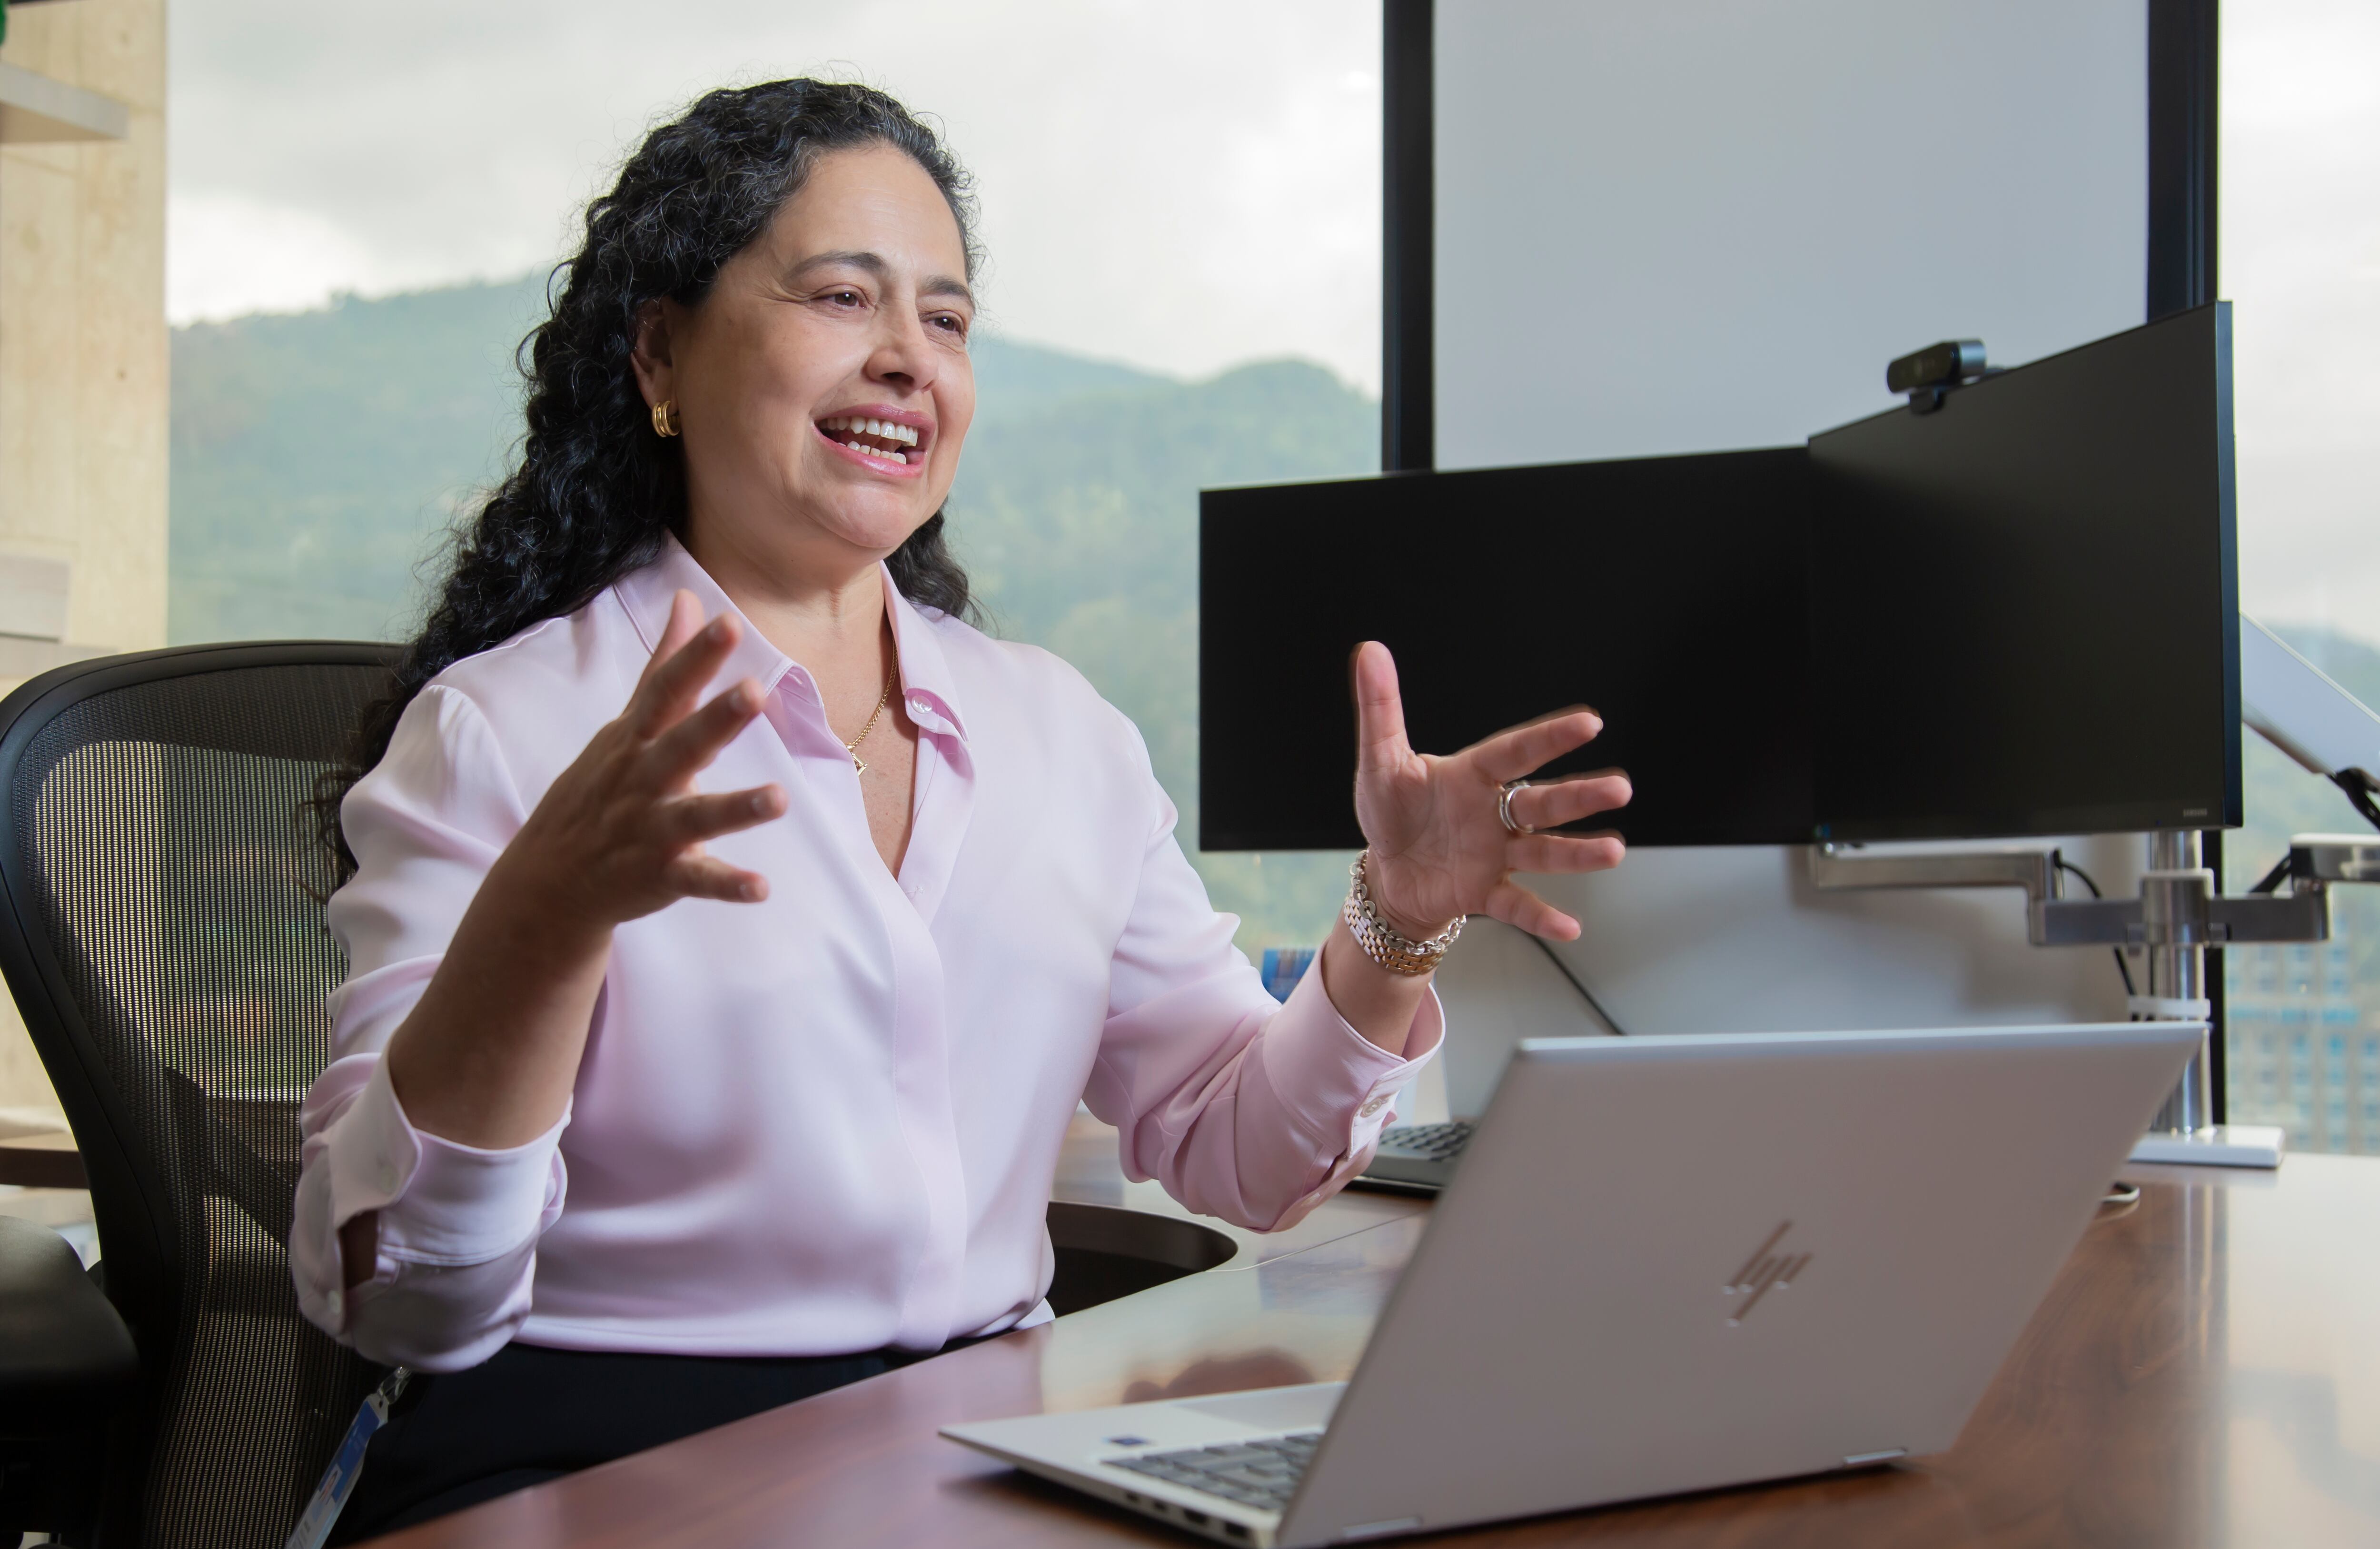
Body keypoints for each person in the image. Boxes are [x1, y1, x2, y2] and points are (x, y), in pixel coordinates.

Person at [291, 79, 1631, 1536]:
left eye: (945, 320)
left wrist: (1394, 924)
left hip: (980, 1445)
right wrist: (544, 924)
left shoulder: (1058, 731)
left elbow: (1239, 1154)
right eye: (841, 296)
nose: (904, 360)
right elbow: (408, 1303)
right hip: (596, 1465)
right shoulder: (508, 728)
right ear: (661, 350)